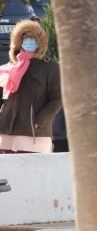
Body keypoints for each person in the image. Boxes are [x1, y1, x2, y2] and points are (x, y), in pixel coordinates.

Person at [0, 20, 61, 153]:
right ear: (18, 41)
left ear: (40, 41)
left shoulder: (50, 67)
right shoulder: (12, 66)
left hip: (34, 137)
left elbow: (57, 99)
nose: (28, 41)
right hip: (5, 135)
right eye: (25, 37)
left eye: (33, 38)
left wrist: (38, 121)